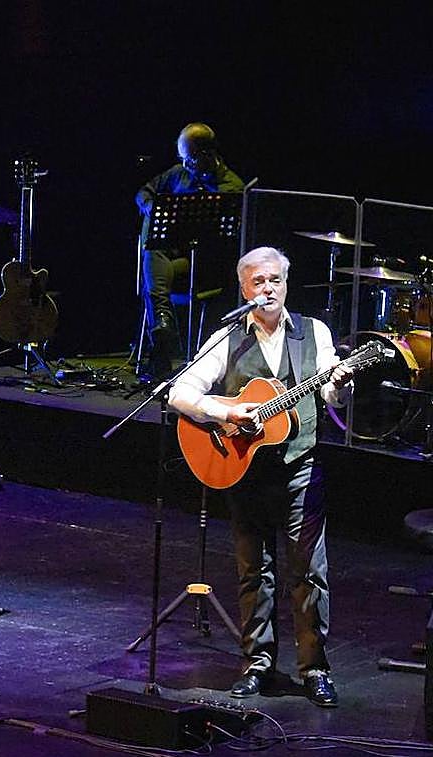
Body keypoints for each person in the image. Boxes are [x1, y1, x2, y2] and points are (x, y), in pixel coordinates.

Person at [169, 246, 354, 707]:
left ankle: (314, 668)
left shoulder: (315, 333)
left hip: (300, 468)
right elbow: (180, 392)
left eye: (274, 280)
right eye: (258, 282)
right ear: (244, 288)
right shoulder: (227, 336)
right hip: (244, 469)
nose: (267, 289)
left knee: (310, 572)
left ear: (286, 283)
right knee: (255, 571)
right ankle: (257, 663)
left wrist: (342, 386)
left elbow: (331, 393)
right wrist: (226, 409)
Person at [136, 122, 245, 379]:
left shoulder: (232, 187)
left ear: (207, 154)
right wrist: (153, 209)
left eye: (190, 159)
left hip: (203, 264)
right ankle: (162, 328)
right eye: (182, 158)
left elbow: (224, 243)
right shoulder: (177, 174)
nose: (185, 165)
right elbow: (143, 193)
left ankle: (161, 337)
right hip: (171, 259)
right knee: (154, 253)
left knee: (152, 279)